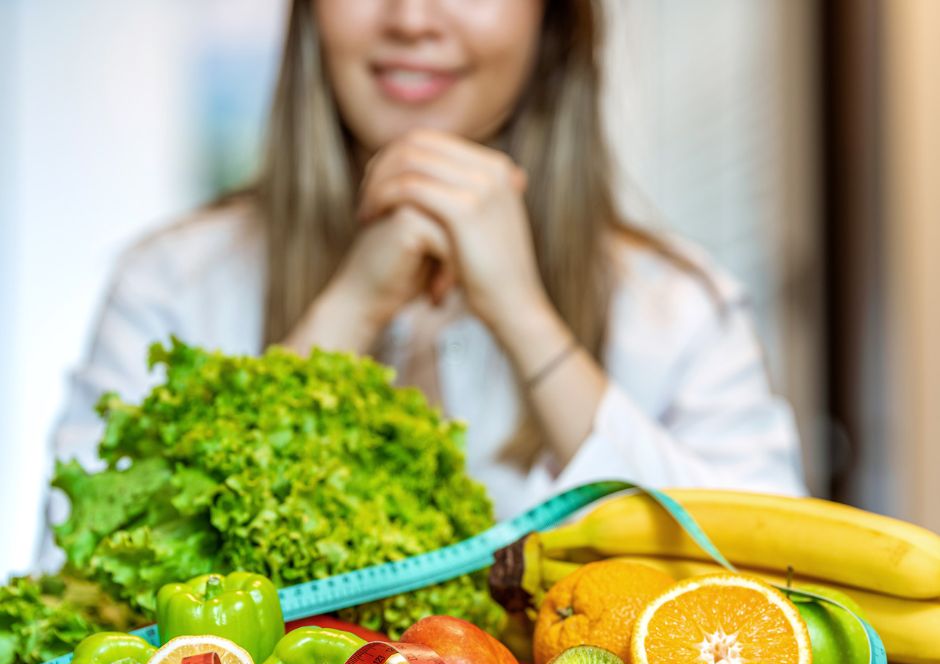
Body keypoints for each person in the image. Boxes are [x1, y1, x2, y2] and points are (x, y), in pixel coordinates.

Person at [51, 0, 805, 528]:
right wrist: (347, 310)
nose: (412, 18)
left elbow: (773, 604)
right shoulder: (169, 283)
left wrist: (524, 316)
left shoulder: (678, 305)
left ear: (555, 18)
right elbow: (83, 594)